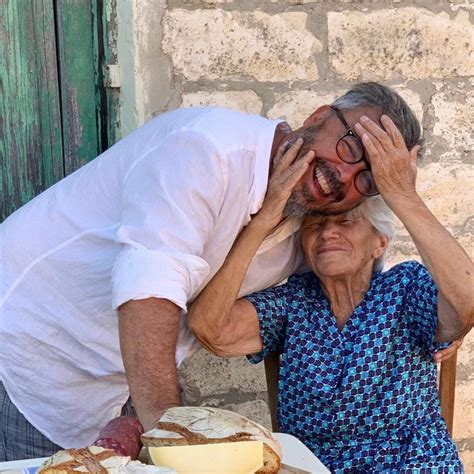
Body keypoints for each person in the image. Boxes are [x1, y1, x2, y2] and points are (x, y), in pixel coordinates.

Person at [0, 82, 457, 461]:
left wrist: (449, 317)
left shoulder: (312, 222)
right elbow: (152, 284)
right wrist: (172, 442)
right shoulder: (206, 148)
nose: (343, 174)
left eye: (370, 179)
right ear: (319, 115)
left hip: (112, 377)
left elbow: (374, 273)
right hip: (29, 345)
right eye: (351, 147)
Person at [188, 113, 473, 471]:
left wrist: (402, 194)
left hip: (408, 464)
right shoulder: (293, 302)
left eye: (345, 222)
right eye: (315, 225)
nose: (327, 234)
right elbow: (208, 328)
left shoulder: (405, 288)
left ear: (379, 242)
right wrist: (262, 223)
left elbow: (466, 302)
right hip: (313, 468)